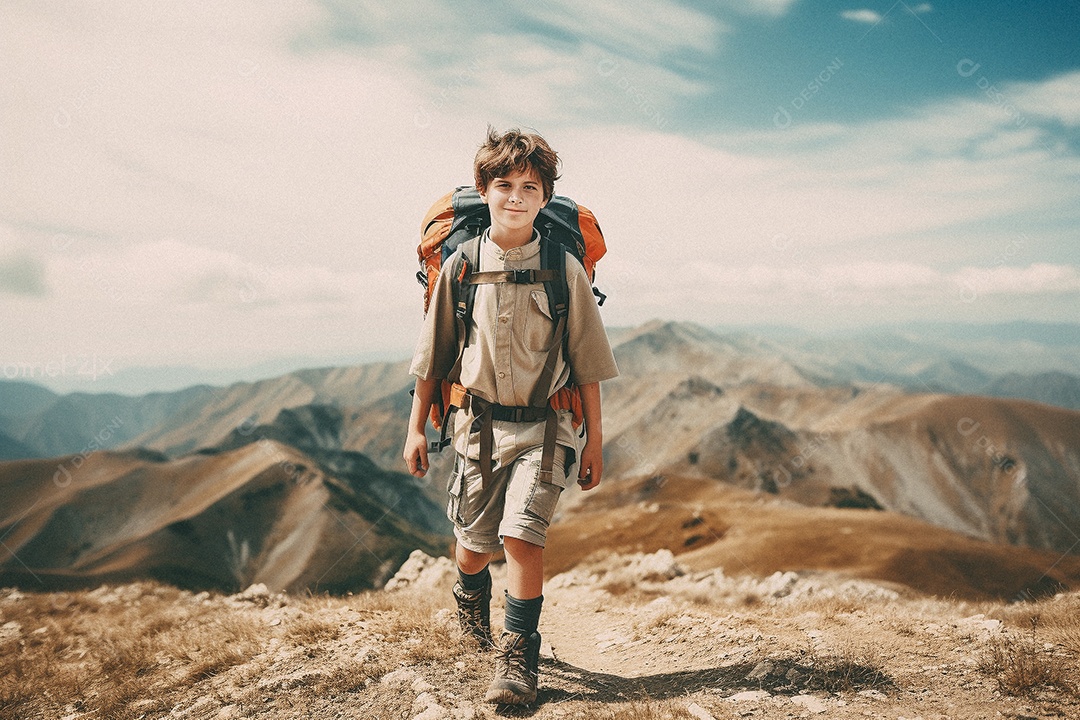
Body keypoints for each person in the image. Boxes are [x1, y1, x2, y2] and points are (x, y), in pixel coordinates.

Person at [403, 126, 619, 705]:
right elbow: (434, 356)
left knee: (521, 536)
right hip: (476, 424)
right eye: (505, 185)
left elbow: (589, 365)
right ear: (484, 189)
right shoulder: (462, 266)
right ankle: (471, 609)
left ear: (546, 197)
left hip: (547, 428)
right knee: (473, 544)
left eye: (530, 186)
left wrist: (596, 442)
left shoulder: (565, 269)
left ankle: (518, 657)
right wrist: (415, 429)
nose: (517, 196)